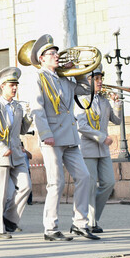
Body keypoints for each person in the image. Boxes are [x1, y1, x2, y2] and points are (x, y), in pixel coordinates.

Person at [26, 34, 98, 241]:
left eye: (57, 52)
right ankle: (50, 228)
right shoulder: (38, 78)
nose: (56, 56)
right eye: (52, 53)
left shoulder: (64, 77)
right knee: (55, 183)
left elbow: (85, 90)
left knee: (84, 177)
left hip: (70, 136)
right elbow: (37, 109)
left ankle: (79, 223)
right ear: (42, 58)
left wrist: (79, 72)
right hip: (52, 137)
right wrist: (45, 134)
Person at [0, 67, 32, 240]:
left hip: (17, 154)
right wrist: (1, 147)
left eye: (16, 85)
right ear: (2, 86)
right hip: (0, 155)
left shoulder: (18, 107)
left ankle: (10, 219)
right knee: (0, 193)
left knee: (26, 186)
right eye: (11, 85)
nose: (15, 88)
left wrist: (29, 117)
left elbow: (22, 130)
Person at [75, 66, 121, 233]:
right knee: (91, 186)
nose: (101, 81)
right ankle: (89, 222)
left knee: (109, 183)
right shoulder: (81, 100)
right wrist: (102, 137)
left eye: (101, 78)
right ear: (88, 81)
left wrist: (117, 104)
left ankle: (93, 218)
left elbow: (117, 121)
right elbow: (82, 126)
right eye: (96, 79)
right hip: (88, 149)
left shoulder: (103, 100)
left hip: (103, 150)